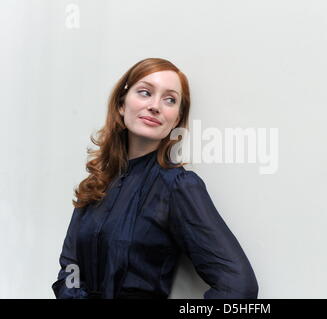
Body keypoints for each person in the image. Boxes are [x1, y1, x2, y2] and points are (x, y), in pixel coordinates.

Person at [51, 58, 259, 299]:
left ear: (177, 120)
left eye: (170, 99)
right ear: (121, 104)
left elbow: (238, 286)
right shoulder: (97, 182)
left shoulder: (178, 187)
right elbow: (69, 271)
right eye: (145, 92)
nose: (155, 106)